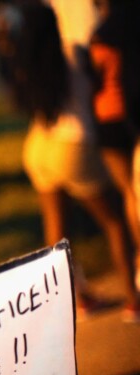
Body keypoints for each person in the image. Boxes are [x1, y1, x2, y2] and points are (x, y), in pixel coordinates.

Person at [5, 2, 139, 321]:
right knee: (114, 221)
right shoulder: (73, 53)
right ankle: (134, 300)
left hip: (38, 145)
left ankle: (77, 299)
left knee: (56, 226)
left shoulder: (27, 60)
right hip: (73, 144)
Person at [89, 0, 140, 311]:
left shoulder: (102, 33)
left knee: (129, 194)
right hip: (133, 114)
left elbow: (96, 77)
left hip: (108, 118)